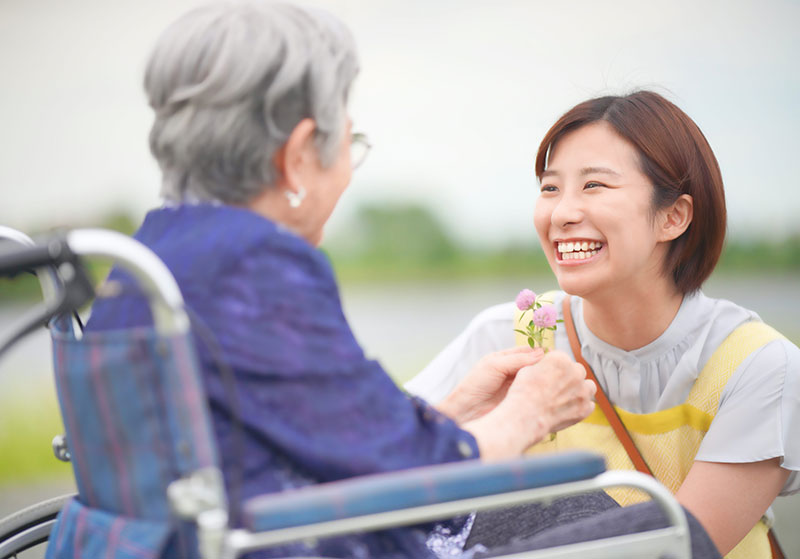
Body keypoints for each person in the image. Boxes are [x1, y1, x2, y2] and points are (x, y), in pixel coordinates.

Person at [55, 4, 719, 558]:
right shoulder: (256, 268)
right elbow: (403, 476)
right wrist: (531, 410)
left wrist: (453, 409)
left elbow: (307, 438)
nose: (348, 169)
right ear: (295, 157)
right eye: (349, 145)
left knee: (565, 502)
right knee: (668, 527)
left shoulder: (147, 259)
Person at [406, 91, 800, 558]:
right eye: (550, 188)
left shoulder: (758, 367)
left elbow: (675, 548)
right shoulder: (506, 335)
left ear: (674, 216)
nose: (562, 212)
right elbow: (366, 477)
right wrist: (458, 416)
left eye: (594, 186)